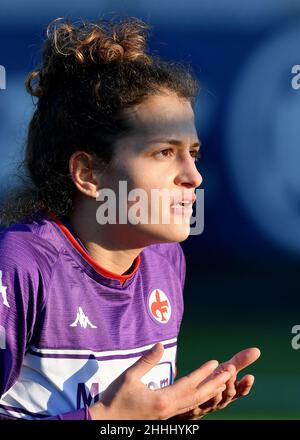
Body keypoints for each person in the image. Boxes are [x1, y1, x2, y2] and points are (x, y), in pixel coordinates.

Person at [0, 16, 260, 420]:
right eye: (163, 152)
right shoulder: (21, 265)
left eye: (193, 152)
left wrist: (169, 412)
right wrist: (104, 420)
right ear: (89, 174)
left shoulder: (165, 257)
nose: (194, 176)